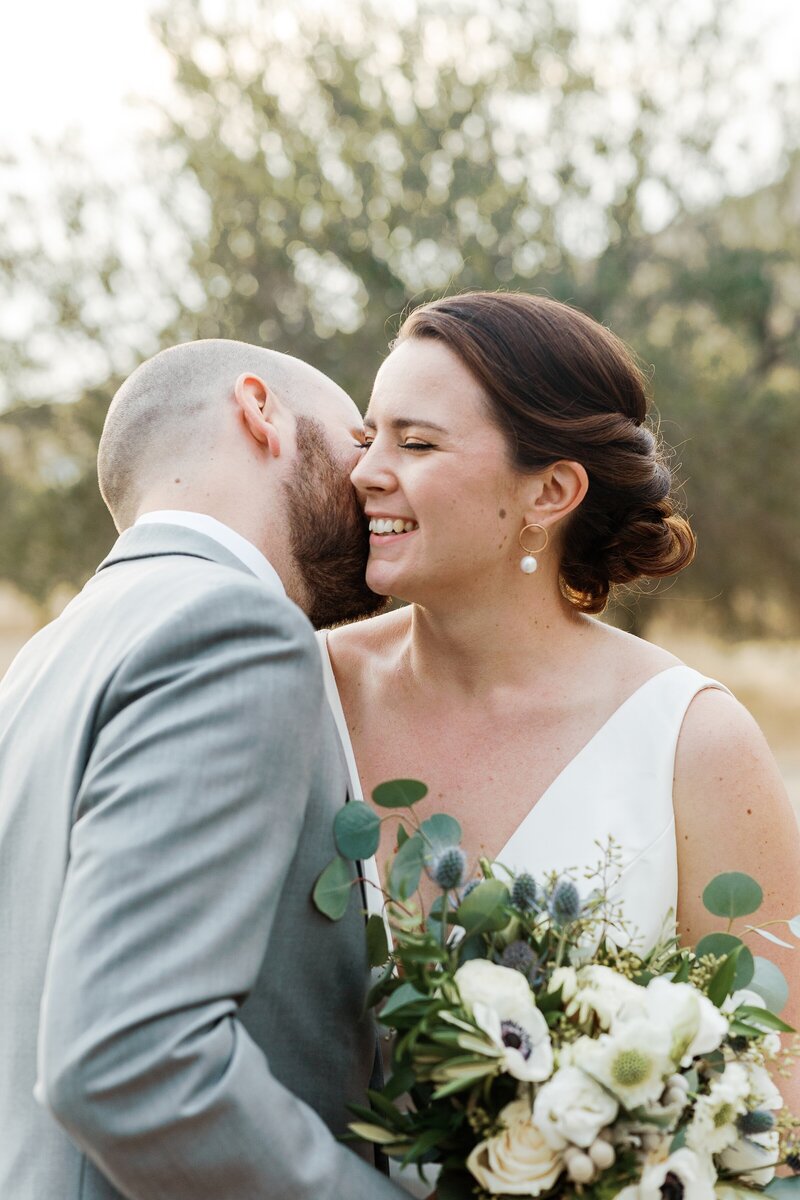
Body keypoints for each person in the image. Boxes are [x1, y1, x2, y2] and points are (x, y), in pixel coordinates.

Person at [319, 293, 800, 1193]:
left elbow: (779, 1089)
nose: (368, 473)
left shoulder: (692, 742)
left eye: (416, 444)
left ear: (550, 491)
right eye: (368, 437)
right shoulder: (303, 692)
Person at [0, 338, 410, 1200]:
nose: (375, 478)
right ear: (261, 410)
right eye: (360, 438)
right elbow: (126, 1060)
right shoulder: (233, 626)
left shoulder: (48, 654)